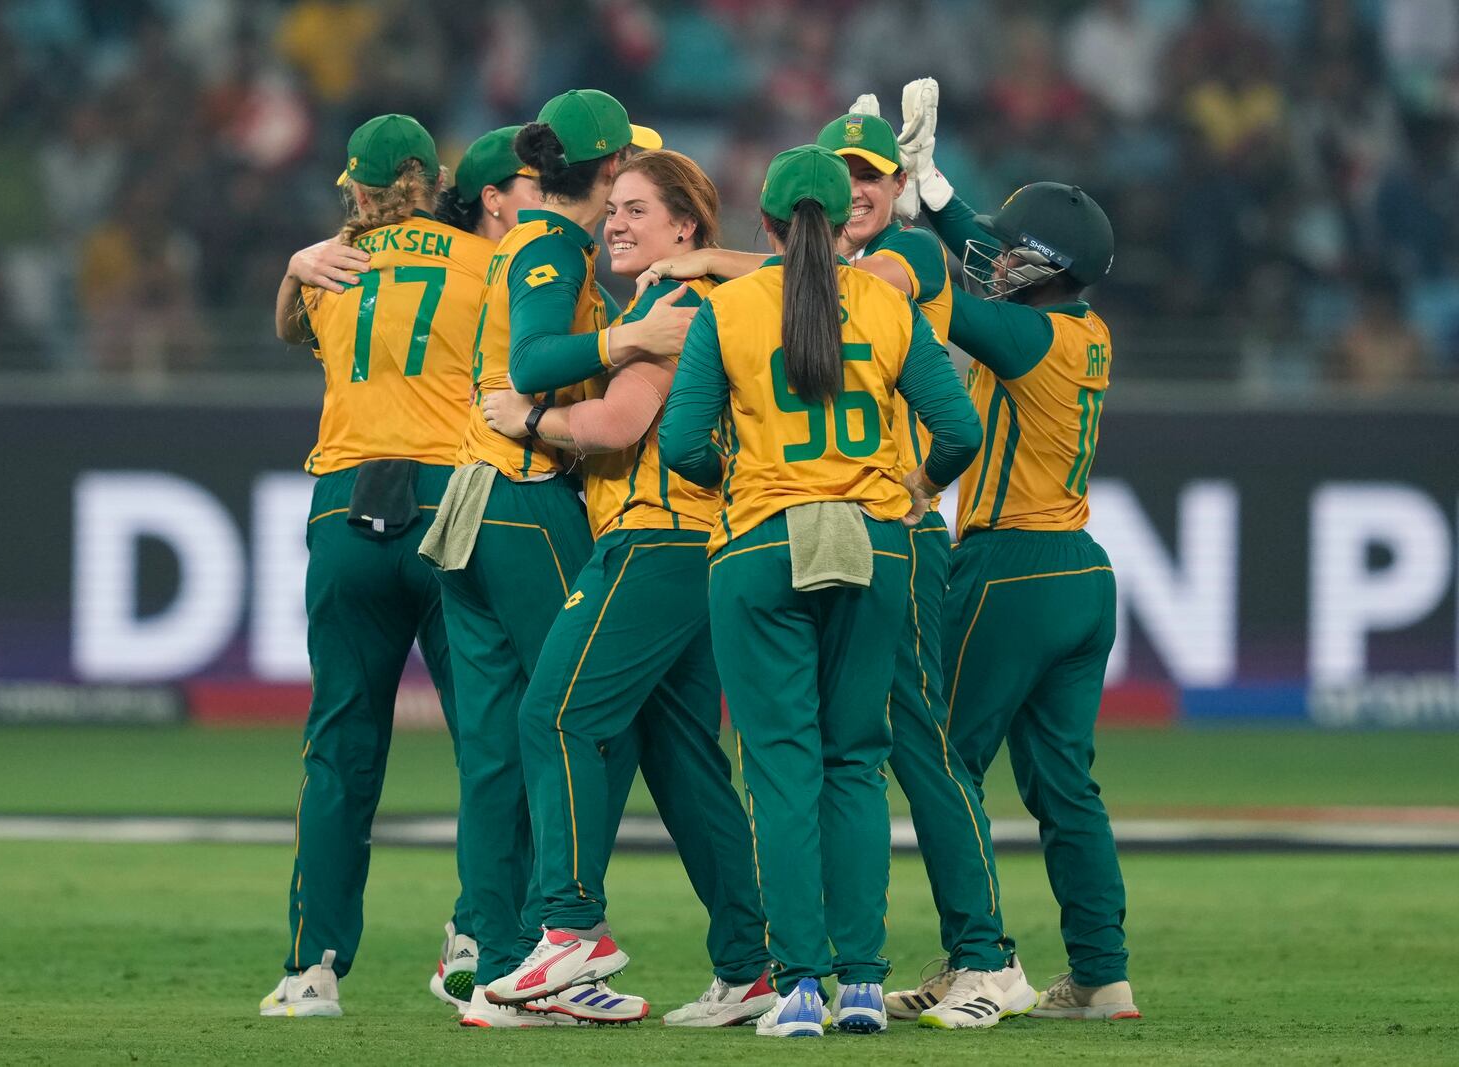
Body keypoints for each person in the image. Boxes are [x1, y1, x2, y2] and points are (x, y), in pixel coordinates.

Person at [641, 88, 1035, 1028]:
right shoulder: (888, 302)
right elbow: (959, 428)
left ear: (768, 219)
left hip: (762, 541)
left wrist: (741, 469)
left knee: (782, 765)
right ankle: (864, 978)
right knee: (860, 762)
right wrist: (911, 486)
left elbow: (684, 445)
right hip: (871, 539)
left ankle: (801, 985)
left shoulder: (730, 307)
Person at [478, 149, 775, 1026]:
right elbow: (817, 276)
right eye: (616, 207)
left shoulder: (670, 303)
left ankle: (571, 929)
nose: (616, 222)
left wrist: (528, 418)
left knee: (556, 714)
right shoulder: (719, 293)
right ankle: (750, 965)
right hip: (701, 550)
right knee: (687, 765)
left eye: (639, 211)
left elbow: (621, 420)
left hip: (652, 541)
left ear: (687, 227)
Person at [418, 88, 691, 1028]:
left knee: (498, 739)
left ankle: (495, 963)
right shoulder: (550, 244)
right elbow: (534, 363)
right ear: (610, 169)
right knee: (587, 719)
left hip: (474, 499)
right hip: (525, 497)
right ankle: (558, 945)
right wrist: (632, 336)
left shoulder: (532, 240)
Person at [278, 124, 544, 1014]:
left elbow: (292, 330)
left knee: (340, 746)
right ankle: (480, 934)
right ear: (434, 181)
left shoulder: (329, 269)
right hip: (454, 505)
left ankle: (311, 968)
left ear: (357, 188)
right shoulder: (488, 263)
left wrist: (293, 267)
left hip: (344, 506)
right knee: (488, 740)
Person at [901, 84, 1142, 1023]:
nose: (994, 256)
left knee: (945, 759)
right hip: (1081, 572)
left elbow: (940, 288)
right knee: (1063, 786)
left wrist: (903, 212)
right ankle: (1100, 974)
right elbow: (989, 265)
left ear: (1039, 264)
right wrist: (940, 190)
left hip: (1010, 566)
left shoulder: (1021, 336)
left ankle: (981, 960)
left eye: (1011, 247)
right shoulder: (1083, 329)